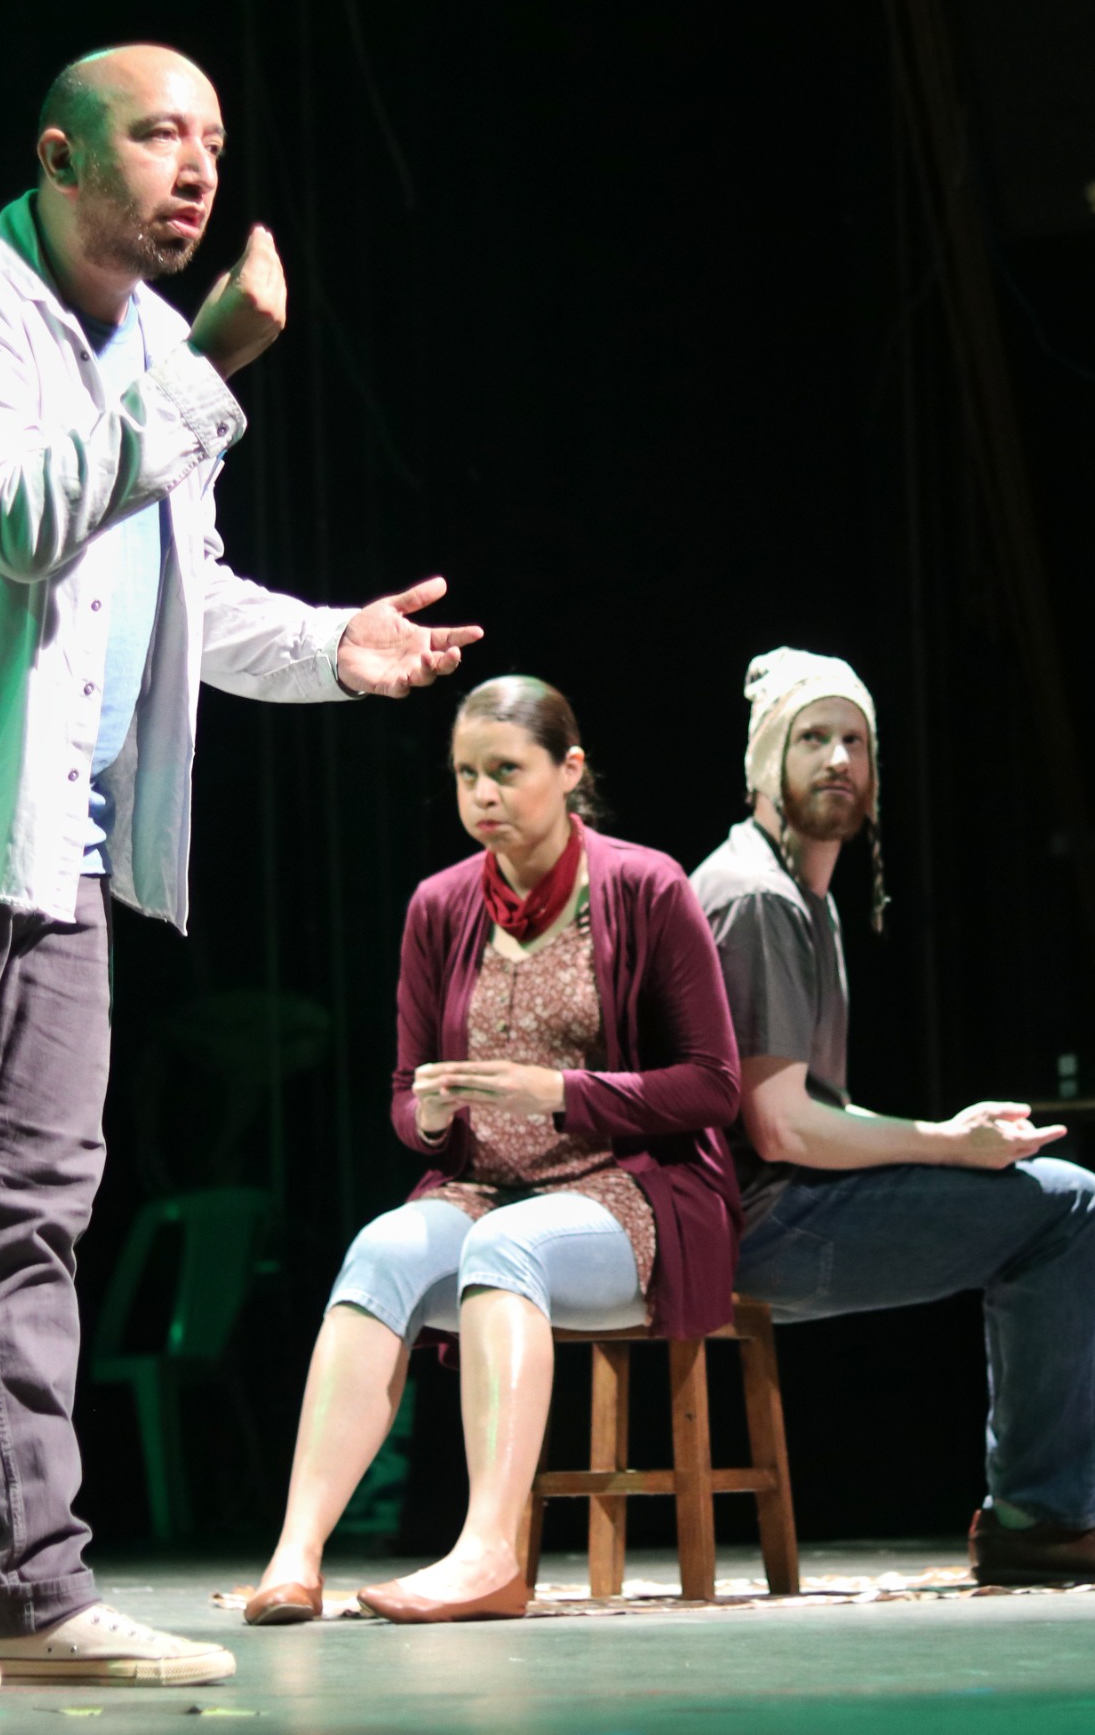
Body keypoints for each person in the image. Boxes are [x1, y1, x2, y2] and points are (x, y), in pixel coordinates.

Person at [0, 46, 479, 1700]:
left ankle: (32, 1584)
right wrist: (211, 362)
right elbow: (26, 517)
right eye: (160, 133)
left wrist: (334, 647)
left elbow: (178, 593)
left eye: (214, 139)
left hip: (59, 839)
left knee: (35, 1214)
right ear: (62, 156)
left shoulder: (159, 346)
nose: (197, 166)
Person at [242, 676, 741, 1626]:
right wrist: (429, 1116)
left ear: (570, 769)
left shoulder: (645, 887)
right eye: (467, 773)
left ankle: (489, 1553)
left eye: (506, 771)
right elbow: (404, 1098)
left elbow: (714, 1085)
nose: (482, 794)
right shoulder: (440, 906)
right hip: (483, 1189)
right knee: (382, 1247)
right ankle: (296, 1553)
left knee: (506, 1247)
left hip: (633, 1196)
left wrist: (561, 1092)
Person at [690, 649, 1095, 1585]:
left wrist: (952, 1140)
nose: (839, 759)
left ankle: (1038, 1515)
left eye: (855, 741)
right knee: (1065, 1209)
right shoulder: (756, 895)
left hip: (776, 1207)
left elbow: (816, 1108)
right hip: (758, 1226)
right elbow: (782, 1129)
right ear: (765, 763)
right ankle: (1042, 1520)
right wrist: (948, 1144)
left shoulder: (802, 895)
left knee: (1049, 1194)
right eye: (812, 738)